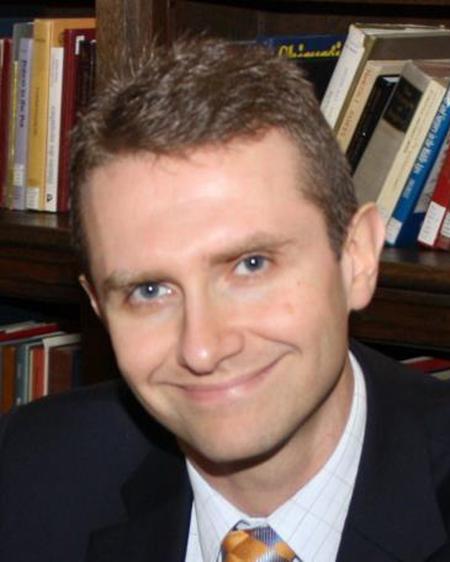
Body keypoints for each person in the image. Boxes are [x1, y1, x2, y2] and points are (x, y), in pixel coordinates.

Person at [1, 37, 450, 562]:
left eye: (251, 265)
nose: (203, 348)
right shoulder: (25, 480)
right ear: (99, 309)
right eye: (150, 291)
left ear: (356, 259)